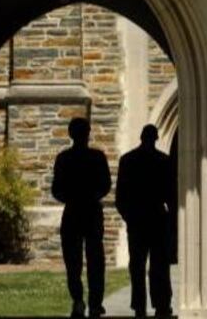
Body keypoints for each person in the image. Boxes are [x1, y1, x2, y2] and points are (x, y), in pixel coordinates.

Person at [52, 117, 112, 318]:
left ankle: (78, 300)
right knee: (95, 261)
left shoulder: (64, 159)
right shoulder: (97, 157)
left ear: (70, 134)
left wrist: (72, 198)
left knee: (73, 261)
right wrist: (91, 196)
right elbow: (106, 185)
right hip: (91, 212)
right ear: (88, 133)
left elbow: (56, 189)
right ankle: (94, 303)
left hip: (73, 212)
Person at [116, 125, 173, 319]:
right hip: (155, 218)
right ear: (155, 138)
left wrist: (129, 216)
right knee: (158, 266)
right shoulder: (163, 161)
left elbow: (120, 197)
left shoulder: (127, 160)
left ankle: (140, 306)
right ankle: (161, 305)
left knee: (138, 266)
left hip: (139, 219)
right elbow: (171, 195)